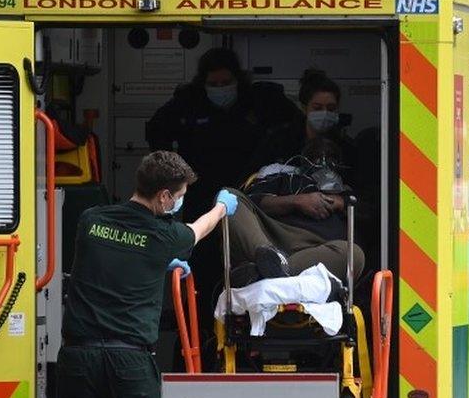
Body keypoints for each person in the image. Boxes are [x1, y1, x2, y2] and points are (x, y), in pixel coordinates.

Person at [54, 151, 238, 398]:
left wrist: (159, 264)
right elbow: (197, 229)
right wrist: (222, 208)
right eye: (181, 195)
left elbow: (114, 259)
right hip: (129, 364)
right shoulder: (162, 236)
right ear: (165, 198)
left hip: (78, 359)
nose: (181, 201)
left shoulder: (92, 221)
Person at [146, 48, 298, 326]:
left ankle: (247, 340)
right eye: (213, 85)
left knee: (250, 271)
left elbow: (294, 126)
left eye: (225, 83)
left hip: (248, 201)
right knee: (203, 277)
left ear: (237, 80)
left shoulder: (259, 102)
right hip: (201, 200)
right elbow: (156, 131)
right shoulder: (188, 103)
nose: (220, 89)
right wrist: (174, 174)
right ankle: (199, 345)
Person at [227, 138, 364, 283]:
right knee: (229, 197)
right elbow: (253, 203)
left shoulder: (346, 191)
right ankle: (269, 257)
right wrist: (297, 201)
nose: (323, 160)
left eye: (331, 156)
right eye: (315, 155)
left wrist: (342, 202)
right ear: (304, 158)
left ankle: (267, 271)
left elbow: (374, 218)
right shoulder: (286, 177)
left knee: (354, 255)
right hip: (272, 238)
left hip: (318, 250)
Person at [242, 69, 356, 181]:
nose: (325, 113)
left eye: (331, 108)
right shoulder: (279, 140)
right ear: (304, 108)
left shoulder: (345, 147)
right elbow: (251, 178)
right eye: (317, 108)